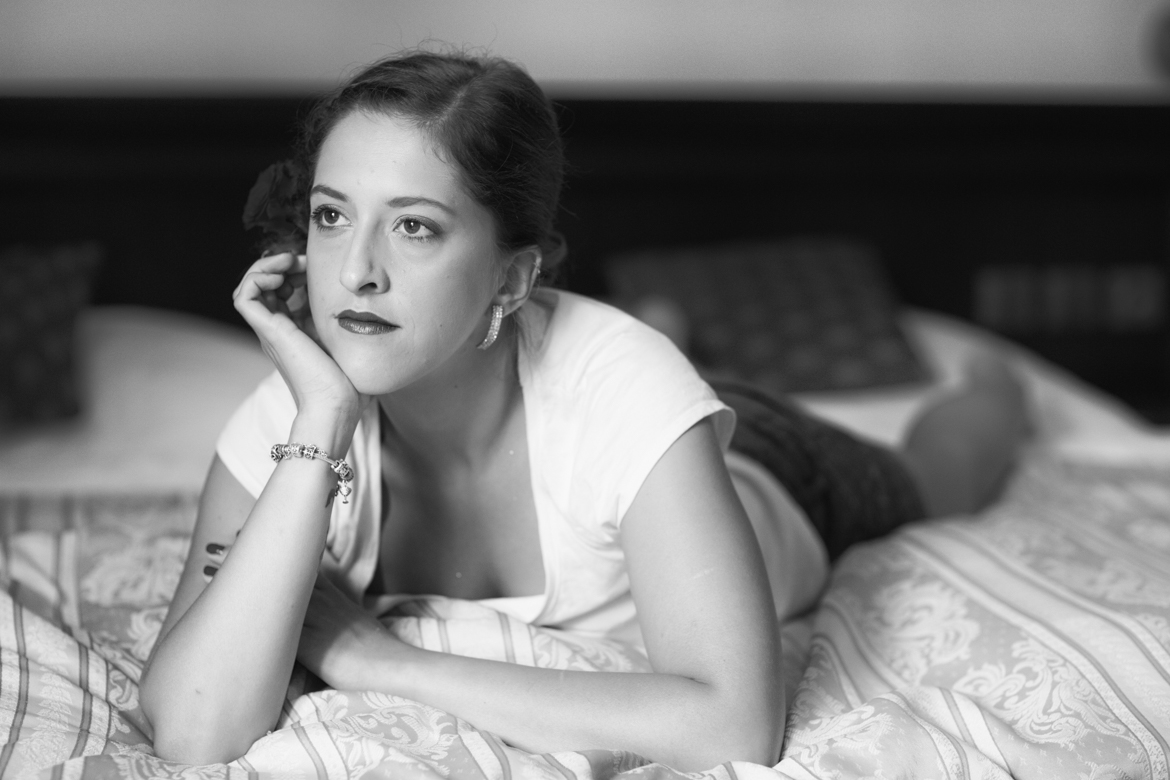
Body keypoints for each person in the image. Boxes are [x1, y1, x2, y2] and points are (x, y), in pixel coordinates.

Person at [138, 50, 1029, 770]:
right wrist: (321, 423)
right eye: (332, 217)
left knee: (937, 475)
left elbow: (735, 728)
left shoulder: (625, 389)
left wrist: (372, 658)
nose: (356, 271)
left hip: (766, 469)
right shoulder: (295, 413)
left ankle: (1000, 387)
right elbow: (191, 729)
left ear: (512, 278)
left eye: (414, 226)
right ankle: (679, 335)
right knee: (645, 375)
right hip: (618, 406)